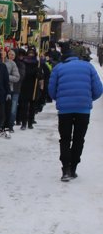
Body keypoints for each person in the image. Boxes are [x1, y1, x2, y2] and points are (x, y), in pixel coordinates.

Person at [48, 48, 103, 181]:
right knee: (79, 139)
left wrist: (60, 99)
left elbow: (51, 90)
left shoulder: (58, 68)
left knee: (65, 139)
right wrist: (88, 99)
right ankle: (73, 168)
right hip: (83, 109)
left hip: (64, 110)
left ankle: (65, 169)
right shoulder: (88, 67)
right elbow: (99, 89)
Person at [4, 48, 21, 133]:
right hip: (3, 89)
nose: (10, 56)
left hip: (13, 89)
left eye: (13, 55)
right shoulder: (2, 62)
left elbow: (17, 77)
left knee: (12, 109)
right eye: (9, 54)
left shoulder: (15, 64)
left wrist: (6, 77)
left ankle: (10, 125)